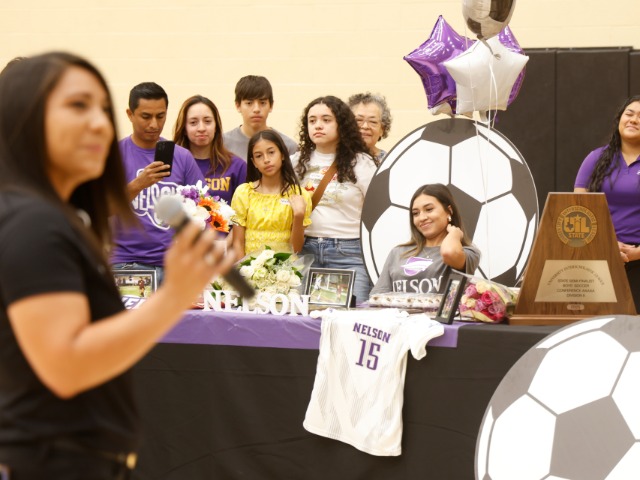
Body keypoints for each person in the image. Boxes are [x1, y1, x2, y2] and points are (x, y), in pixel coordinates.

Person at [0, 52, 233, 479]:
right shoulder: (34, 222)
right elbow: (66, 366)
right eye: (77, 106)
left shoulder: (57, 215)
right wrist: (174, 296)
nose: (98, 123)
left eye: (101, 109)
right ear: (26, 118)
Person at [111, 82, 206, 284]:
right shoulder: (115, 156)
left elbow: (206, 207)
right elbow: (101, 209)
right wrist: (138, 184)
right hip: (127, 263)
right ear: (130, 114)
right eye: (146, 116)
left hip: (174, 265)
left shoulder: (182, 157)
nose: (154, 124)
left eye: (160, 116)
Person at [292, 95, 378, 304]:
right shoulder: (295, 161)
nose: (318, 125)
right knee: (303, 319)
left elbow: (377, 212)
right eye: (312, 121)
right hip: (306, 252)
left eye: (326, 120)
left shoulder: (362, 163)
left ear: (341, 124)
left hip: (349, 254)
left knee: (351, 318)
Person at [574, 94, 640, 312]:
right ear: (620, 119)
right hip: (598, 258)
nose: (634, 120)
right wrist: (606, 245)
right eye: (629, 114)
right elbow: (578, 210)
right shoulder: (596, 159)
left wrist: (637, 253)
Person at [370, 183, 481, 296]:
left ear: (449, 210)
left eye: (429, 209)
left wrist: (454, 233)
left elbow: (449, 253)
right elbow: (377, 295)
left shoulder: (468, 253)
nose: (422, 218)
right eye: (416, 213)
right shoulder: (398, 252)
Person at [231, 130, 312, 257]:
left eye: (271, 152)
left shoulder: (299, 195)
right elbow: (237, 243)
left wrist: (299, 216)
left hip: (285, 268)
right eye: (259, 156)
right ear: (254, 162)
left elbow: (296, 249)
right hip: (249, 267)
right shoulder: (243, 193)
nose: (266, 160)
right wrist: (243, 268)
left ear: (282, 155)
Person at [173, 94, 246, 205]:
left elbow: (245, 211)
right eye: (193, 123)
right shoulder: (173, 165)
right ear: (184, 128)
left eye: (207, 121)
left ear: (216, 126)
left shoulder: (237, 166)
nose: (201, 128)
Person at [223, 75, 297, 161]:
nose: (256, 109)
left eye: (262, 103)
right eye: (249, 103)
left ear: (271, 106)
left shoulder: (288, 146)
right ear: (238, 106)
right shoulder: (222, 144)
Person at [348, 92, 392, 162]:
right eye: (359, 120)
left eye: (373, 121)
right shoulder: (335, 158)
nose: (365, 126)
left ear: (382, 129)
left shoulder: (388, 162)